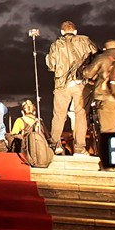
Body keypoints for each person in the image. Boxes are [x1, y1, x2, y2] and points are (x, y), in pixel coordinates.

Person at [45, 20, 98, 155]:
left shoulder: (56, 45)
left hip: (62, 84)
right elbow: (96, 58)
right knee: (81, 115)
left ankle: (55, 144)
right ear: (75, 31)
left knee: (58, 116)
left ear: (62, 32)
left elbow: (51, 65)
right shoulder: (85, 41)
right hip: (81, 83)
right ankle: (80, 147)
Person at [83, 40, 115, 134]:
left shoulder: (102, 58)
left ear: (105, 49)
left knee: (108, 131)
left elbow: (87, 74)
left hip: (106, 99)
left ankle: (110, 149)